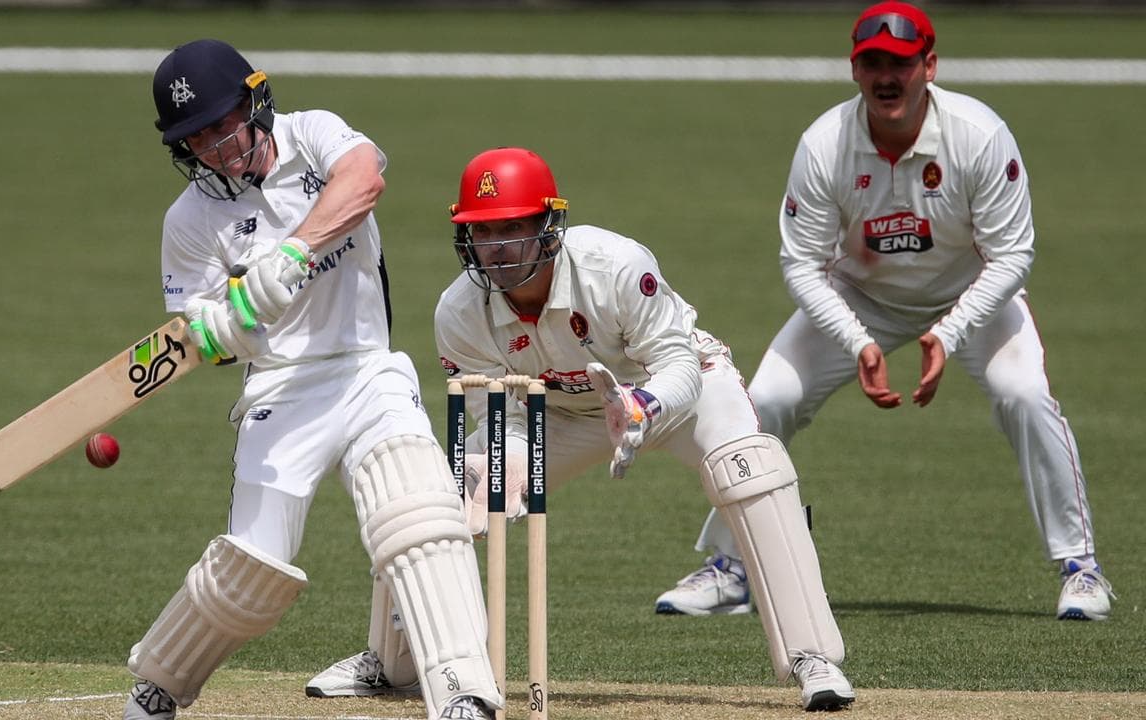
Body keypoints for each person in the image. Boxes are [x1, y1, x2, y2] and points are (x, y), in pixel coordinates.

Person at [310, 147, 856, 712]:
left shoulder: (614, 267)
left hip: (671, 392)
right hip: (556, 412)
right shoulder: (460, 312)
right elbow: (500, 412)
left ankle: (812, 657)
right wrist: (507, 463)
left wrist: (641, 406)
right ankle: (396, 661)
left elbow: (679, 364)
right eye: (483, 231)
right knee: (435, 492)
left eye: (513, 228)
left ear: (549, 227)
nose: (495, 248)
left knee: (751, 469)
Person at [678, 1, 1114, 623]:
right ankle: (731, 567)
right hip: (860, 297)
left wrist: (950, 331)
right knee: (766, 398)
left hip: (970, 292)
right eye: (874, 63)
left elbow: (1012, 254)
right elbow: (801, 263)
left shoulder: (979, 134)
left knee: (1023, 393)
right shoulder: (824, 144)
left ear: (929, 66)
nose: (888, 77)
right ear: (855, 69)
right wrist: (857, 341)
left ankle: (1081, 567)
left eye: (901, 63)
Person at [122, 39, 502, 720]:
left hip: (366, 369)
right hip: (279, 390)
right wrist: (232, 322)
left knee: (421, 517)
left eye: (221, 125)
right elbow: (199, 333)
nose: (213, 148)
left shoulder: (313, 133)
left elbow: (364, 180)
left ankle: (463, 692)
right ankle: (159, 683)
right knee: (251, 570)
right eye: (195, 138)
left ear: (255, 102)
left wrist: (291, 254)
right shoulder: (188, 221)